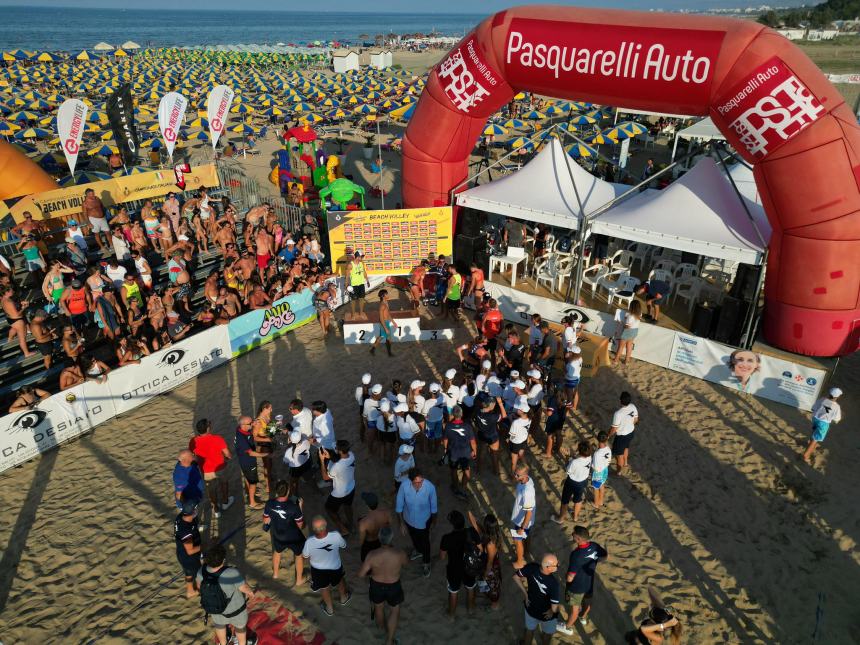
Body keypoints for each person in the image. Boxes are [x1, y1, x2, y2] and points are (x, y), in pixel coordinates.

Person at [358, 526, 407, 645]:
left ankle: (381, 627)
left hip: (376, 585)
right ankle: (389, 641)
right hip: (393, 585)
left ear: (379, 538)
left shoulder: (372, 555)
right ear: (391, 539)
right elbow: (406, 563)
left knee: (378, 608)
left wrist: (370, 575)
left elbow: (361, 574)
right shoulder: (399, 553)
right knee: (394, 611)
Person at [197, 545, 255, 645]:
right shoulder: (231, 572)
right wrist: (251, 592)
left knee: (220, 626)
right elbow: (244, 589)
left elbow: (199, 588)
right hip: (236, 611)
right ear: (223, 560)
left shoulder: (201, 571)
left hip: (216, 610)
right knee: (240, 628)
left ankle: (223, 643)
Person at [556, 525, 608, 635]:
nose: (572, 535)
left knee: (574, 609)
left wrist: (567, 582)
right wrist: (593, 562)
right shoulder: (594, 546)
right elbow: (604, 556)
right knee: (587, 602)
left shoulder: (576, 555)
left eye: (573, 534)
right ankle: (583, 617)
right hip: (589, 583)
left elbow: (571, 576)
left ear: (579, 539)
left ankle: (567, 627)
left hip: (577, 586)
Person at [302, 516, 351, 616]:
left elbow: (305, 556)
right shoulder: (336, 535)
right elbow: (343, 545)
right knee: (340, 580)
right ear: (325, 526)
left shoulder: (309, 542)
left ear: (313, 529)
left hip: (318, 570)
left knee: (324, 588)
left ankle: (329, 609)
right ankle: (343, 598)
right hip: (335, 566)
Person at [395, 467, 437, 577]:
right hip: (408, 519)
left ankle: (426, 562)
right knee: (413, 537)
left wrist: (433, 522)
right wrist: (401, 523)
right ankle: (418, 551)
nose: (419, 484)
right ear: (410, 480)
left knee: (425, 542)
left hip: (424, 521)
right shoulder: (404, 486)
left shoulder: (430, 487)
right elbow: (399, 506)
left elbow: (434, 507)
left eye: (420, 481)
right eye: (416, 482)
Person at [263, 480, 306, 584]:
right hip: (293, 537)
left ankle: (275, 574)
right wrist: (300, 507)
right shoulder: (293, 507)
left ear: (277, 492)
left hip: (278, 535)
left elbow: (265, 520)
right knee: (298, 555)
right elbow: (300, 525)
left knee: (277, 552)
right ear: (288, 492)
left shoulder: (269, 504)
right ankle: (299, 580)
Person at [513, 554, 561, 645]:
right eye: (556, 564)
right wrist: (552, 611)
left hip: (530, 607)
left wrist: (526, 594)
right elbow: (554, 607)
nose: (558, 565)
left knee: (529, 630)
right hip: (546, 614)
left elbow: (515, 577)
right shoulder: (554, 584)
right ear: (548, 567)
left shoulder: (531, 567)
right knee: (547, 634)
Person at [191, 418, 235, 518]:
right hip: (220, 467)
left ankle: (216, 509)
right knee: (224, 484)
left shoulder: (193, 441)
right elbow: (227, 454)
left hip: (206, 470)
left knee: (211, 490)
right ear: (207, 429)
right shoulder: (217, 438)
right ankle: (225, 502)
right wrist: (228, 458)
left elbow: (193, 455)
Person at [467, 510, 503, 610]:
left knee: (492, 588)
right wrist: (470, 512)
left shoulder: (490, 544)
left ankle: (494, 605)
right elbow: (474, 523)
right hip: (488, 563)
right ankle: (489, 598)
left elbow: (490, 562)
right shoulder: (493, 534)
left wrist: (485, 574)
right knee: (488, 587)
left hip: (490, 567)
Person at [320, 439, 356, 536]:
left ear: (340, 451)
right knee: (348, 506)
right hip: (351, 487)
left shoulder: (337, 466)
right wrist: (331, 456)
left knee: (329, 509)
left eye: (336, 448)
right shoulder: (352, 455)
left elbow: (325, 477)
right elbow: (340, 459)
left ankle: (343, 529)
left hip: (339, 493)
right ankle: (351, 525)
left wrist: (322, 461)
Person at [551, 441, 592, 525]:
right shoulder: (589, 457)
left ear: (579, 451)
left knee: (565, 500)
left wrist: (566, 457)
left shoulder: (574, 462)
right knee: (578, 499)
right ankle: (575, 517)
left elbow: (568, 471)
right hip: (583, 481)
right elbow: (579, 459)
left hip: (572, 482)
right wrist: (571, 456)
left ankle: (561, 518)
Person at [443, 405, 477, 500]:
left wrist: (445, 449)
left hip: (453, 453)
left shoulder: (448, 426)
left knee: (453, 470)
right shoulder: (467, 426)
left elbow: (445, 439)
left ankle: (455, 486)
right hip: (465, 453)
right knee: (466, 470)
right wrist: (475, 451)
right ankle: (464, 487)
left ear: (453, 414)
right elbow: (473, 442)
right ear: (462, 414)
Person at [802, 387, 843, 463]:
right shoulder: (836, 406)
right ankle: (806, 455)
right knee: (816, 439)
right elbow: (837, 419)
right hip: (824, 423)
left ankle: (810, 443)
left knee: (814, 431)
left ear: (829, 393)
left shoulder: (822, 399)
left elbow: (813, 409)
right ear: (838, 396)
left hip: (815, 418)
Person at [234, 416, 266, 509]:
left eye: (252, 421)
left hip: (243, 461)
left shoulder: (240, 428)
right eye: (250, 423)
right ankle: (252, 502)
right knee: (253, 482)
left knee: (248, 478)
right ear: (243, 425)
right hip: (248, 462)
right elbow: (251, 453)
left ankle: (249, 492)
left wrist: (254, 424)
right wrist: (265, 454)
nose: (252, 423)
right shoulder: (241, 439)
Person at [174, 499, 203, 599]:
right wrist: (205, 546)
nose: (197, 509)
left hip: (181, 553)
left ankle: (190, 591)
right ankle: (201, 592)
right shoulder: (186, 531)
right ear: (192, 512)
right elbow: (190, 551)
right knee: (200, 574)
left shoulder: (180, 517)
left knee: (189, 572)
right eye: (195, 508)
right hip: (189, 557)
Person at [511, 463, 536, 569]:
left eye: (518, 475)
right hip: (524, 519)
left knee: (517, 540)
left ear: (525, 475)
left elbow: (529, 512)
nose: (515, 477)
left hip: (522, 521)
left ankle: (520, 562)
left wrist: (522, 527)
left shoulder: (527, 491)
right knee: (526, 536)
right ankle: (526, 551)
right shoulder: (527, 479)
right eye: (515, 474)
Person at [608, 392, 639, 475]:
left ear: (620, 401)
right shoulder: (633, 406)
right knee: (626, 447)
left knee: (619, 455)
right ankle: (625, 463)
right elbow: (636, 420)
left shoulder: (618, 413)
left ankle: (619, 471)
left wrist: (608, 436)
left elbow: (614, 429)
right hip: (631, 433)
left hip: (621, 436)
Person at [473, 393, 505, 475]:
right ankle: (496, 471)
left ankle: (478, 470)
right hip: (492, 436)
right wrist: (500, 404)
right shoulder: (492, 416)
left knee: (481, 453)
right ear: (490, 406)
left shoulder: (477, 411)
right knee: (494, 454)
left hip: (482, 434)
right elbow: (504, 416)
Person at [357, 491, 391, 562]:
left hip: (369, 543)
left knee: (366, 560)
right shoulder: (386, 513)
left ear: (366, 505)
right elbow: (388, 527)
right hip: (381, 540)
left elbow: (361, 540)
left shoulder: (363, 522)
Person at [614, 299, 642, 366]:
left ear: (631, 307)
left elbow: (627, 327)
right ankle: (627, 361)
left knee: (620, 347)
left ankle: (616, 360)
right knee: (629, 346)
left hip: (628, 331)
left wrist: (621, 322)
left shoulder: (630, 316)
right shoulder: (640, 314)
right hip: (635, 331)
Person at [370, 289, 398, 357]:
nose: (388, 295)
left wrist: (393, 322)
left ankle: (373, 350)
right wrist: (385, 328)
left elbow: (388, 314)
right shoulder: (382, 305)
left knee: (382, 337)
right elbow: (381, 318)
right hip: (384, 323)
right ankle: (389, 353)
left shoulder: (386, 303)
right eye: (386, 294)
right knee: (386, 338)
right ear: (383, 296)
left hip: (386, 322)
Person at [591, 432, 612, 510]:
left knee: (596, 488)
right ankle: (601, 502)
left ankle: (596, 504)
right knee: (602, 485)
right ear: (607, 439)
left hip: (598, 473)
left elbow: (595, 467)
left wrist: (591, 465)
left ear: (597, 439)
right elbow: (609, 461)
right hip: (605, 470)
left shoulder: (597, 453)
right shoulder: (608, 449)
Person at [348, 250, 370, 317]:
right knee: (353, 300)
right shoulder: (350, 265)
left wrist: (367, 280)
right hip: (353, 285)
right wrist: (347, 285)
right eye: (362, 257)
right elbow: (347, 276)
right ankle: (353, 314)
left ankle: (361, 313)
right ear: (357, 257)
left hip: (361, 284)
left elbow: (364, 272)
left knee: (361, 299)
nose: (362, 258)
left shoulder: (361, 263)